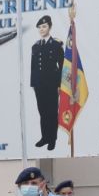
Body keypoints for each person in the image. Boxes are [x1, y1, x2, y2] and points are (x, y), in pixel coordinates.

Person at [30, 15, 64, 151]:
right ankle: (44, 137)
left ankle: (52, 139)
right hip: (39, 86)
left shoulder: (56, 45)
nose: (42, 29)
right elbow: (33, 67)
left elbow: (61, 67)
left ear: (49, 27)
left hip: (52, 85)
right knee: (42, 112)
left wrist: (60, 85)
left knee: (52, 113)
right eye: (40, 27)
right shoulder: (35, 46)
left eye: (44, 26)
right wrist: (33, 84)